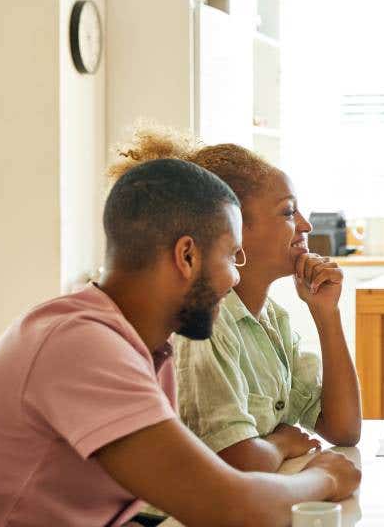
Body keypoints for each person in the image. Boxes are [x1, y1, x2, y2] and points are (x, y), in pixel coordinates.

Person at [0, 159, 358, 527]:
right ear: (187, 256)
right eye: (231, 255)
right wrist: (326, 477)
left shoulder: (141, 349)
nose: (235, 277)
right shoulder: (81, 345)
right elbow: (230, 505)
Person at [108, 127, 361, 473]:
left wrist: (326, 314)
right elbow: (235, 460)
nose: (304, 225)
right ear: (235, 223)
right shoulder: (203, 324)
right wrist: (282, 442)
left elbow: (344, 428)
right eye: (288, 212)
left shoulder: (272, 318)